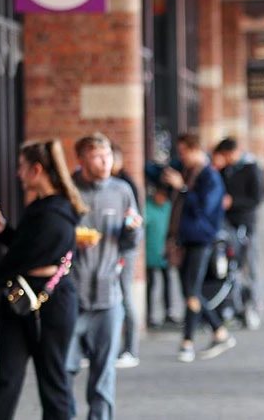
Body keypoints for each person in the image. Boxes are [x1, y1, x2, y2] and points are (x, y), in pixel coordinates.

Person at [0, 139, 87, 420]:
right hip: (21, 302)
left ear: (37, 170)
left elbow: (20, 259)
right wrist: (5, 232)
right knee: (6, 379)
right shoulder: (43, 208)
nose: (18, 174)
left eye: (21, 167)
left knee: (53, 384)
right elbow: (30, 250)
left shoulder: (55, 213)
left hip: (52, 304)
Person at [69, 133, 143, 419]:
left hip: (108, 295)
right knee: (64, 368)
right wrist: (71, 240)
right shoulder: (69, 191)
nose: (105, 162)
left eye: (108, 156)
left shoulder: (122, 190)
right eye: (98, 156)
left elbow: (129, 243)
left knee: (104, 374)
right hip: (72, 295)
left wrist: (133, 230)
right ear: (82, 159)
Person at [161, 133, 236, 363]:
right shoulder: (191, 173)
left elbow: (204, 209)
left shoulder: (209, 177)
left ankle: (191, 341)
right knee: (189, 292)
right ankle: (209, 335)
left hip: (201, 240)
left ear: (195, 150)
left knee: (192, 292)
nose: (181, 158)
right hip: (186, 239)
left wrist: (182, 188)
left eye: (184, 153)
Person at [212, 137, 264, 319]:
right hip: (227, 224)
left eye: (226, 155)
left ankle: (253, 303)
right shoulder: (225, 171)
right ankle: (233, 304)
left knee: (249, 265)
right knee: (231, 266)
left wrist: (233, 201)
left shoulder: (251, 169)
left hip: (245, 224)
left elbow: (257, 198)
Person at [107, 143, 141, 370]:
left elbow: (134, 222)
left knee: (125, 294)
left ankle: (130, 348)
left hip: (124, 249)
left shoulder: (124, 185)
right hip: (110, 247)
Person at [144, 183, 177, 329]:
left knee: (167, 282)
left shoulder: (169, 208)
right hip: (150, 251)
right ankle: (150, 314)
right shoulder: (148, 207)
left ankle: (168, 312)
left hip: (165, 251)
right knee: (151, 285)